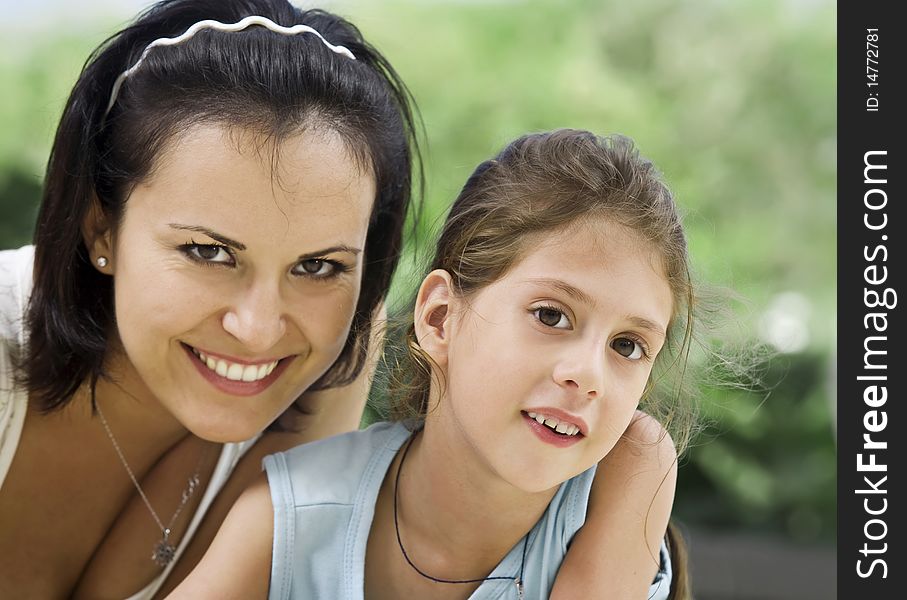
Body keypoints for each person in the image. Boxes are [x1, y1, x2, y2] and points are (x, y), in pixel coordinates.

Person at [0, 0, 422, 597]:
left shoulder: (318, 380)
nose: (256, 328)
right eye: (208, 252)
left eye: (316, 265)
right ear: (102, 229)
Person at [173, 129, 701, 599]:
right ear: (441, 317)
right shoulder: (292, 516)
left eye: (628, 346)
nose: (587, 374)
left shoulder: (629, 477)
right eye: (550, 315)